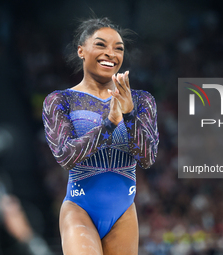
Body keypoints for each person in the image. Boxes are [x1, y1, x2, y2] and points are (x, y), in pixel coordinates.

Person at [42, 17, 159, 255]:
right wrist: (108, 124)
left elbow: (147, 158)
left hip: (123, 212)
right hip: (80, 208)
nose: (111, 53)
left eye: (118, 48)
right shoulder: (59, 101)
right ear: (81, 50)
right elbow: (66, 157)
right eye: (101, 45)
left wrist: (128, 115)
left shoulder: (142, 101)